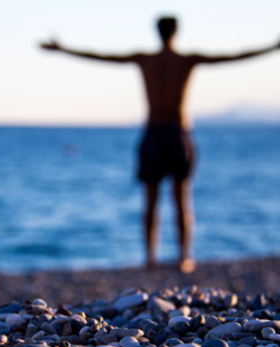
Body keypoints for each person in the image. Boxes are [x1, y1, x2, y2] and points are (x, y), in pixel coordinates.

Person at [40, 17, 280, 273]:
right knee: (181, 199)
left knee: (151, 201)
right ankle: (184, 258)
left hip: (154, 132)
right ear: (176, 33)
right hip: (177, 131)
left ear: (158, 32)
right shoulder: (186, 60)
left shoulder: (145, 60)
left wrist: (64, 49)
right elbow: (232, 57)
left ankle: (151, 258)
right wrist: (272, 47)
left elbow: (103, 57)